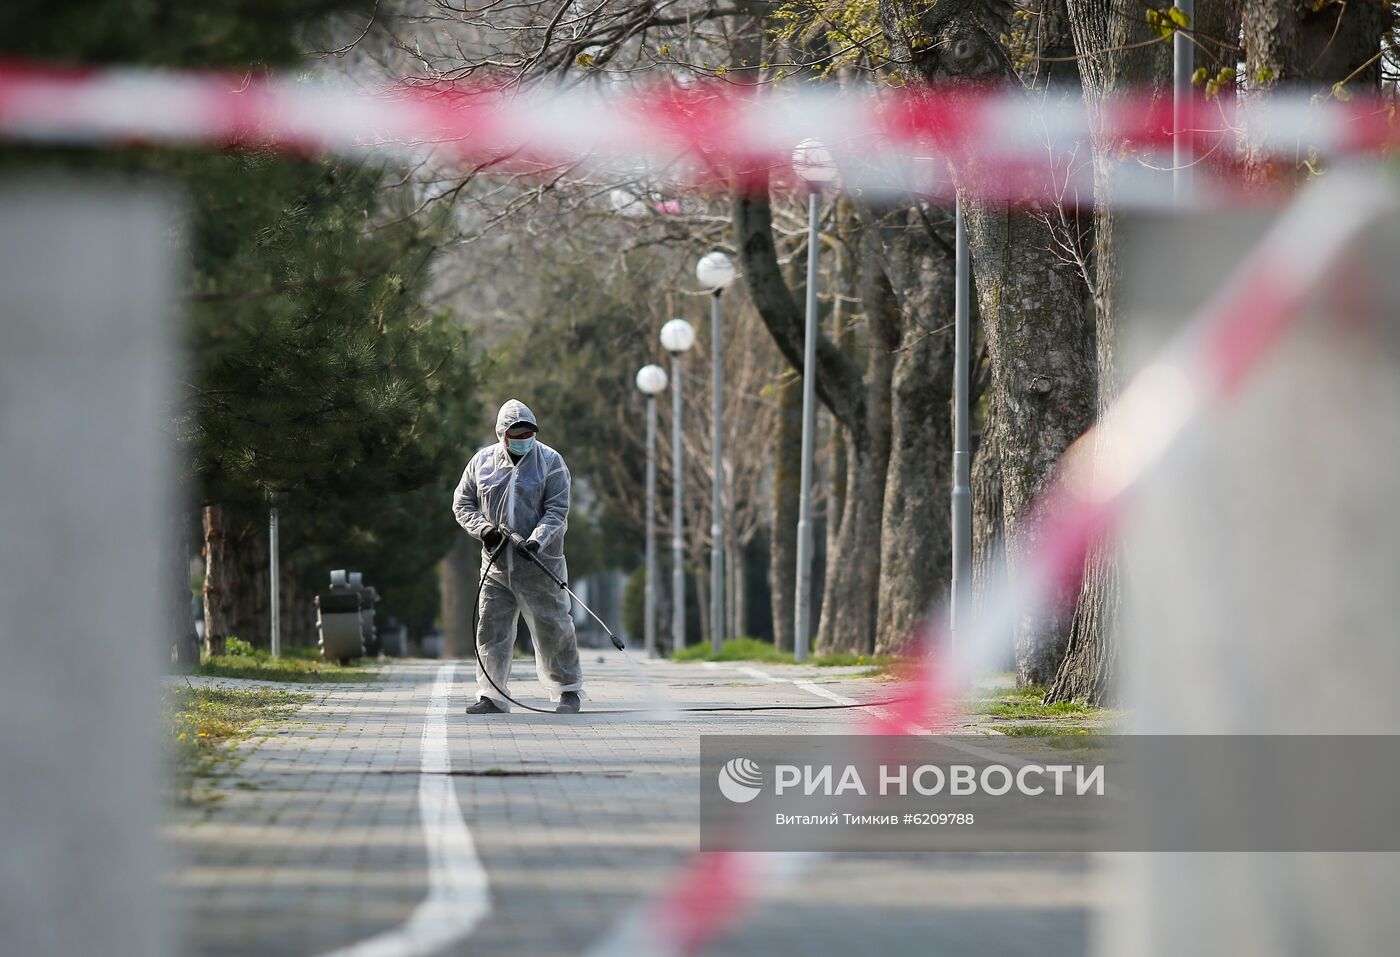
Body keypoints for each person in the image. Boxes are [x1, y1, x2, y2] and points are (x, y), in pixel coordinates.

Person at [452, 399, 585, 714]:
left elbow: (557, 510)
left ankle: (567, 691)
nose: (523, 437)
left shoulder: (550, 462)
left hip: (540, 566)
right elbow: (462, 503)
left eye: (528, 432)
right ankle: (492, 695)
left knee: (553, 627)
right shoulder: (481, 463)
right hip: (496, 568)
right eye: (517, 433)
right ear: (502, 434)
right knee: (491, 630)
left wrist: (536, 541)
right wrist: (484, 530)